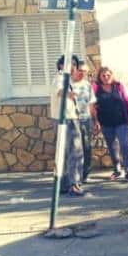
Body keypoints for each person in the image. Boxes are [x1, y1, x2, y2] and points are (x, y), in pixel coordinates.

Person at [92, 66, 128, 182]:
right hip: (106, 123)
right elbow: (93, 106)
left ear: (112, 75)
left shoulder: (119, 86)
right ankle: (117, 169)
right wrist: (96, 121)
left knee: (125, 145)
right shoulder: (96, 87)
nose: (106, 77)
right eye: (103, 75)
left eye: (108, 75)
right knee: (112, 147)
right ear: (100, 77)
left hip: (122, 121)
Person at [50, 55, 85, 196]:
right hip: (67, 119)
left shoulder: (67, 79)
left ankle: (64, 184)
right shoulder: (60, 78)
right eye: (70, 64)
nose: (74, 67)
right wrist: (71, 94)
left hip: (65, 117)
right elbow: (60, 91)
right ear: (60, 66)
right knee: (75, 152)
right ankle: (74, 184)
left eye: (75, 64)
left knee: (64, 152)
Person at [71, 61, 96, 183]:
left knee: (86, 148)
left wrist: (95, 120)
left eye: (85, 72)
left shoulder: (87, 85)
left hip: (86, 120)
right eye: (80, 71)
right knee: (74, 149)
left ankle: (85, 174)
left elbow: (91, 104)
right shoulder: (68, 84)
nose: (82, 74)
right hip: (72, 120)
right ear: (75, 70)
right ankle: (74, 176)